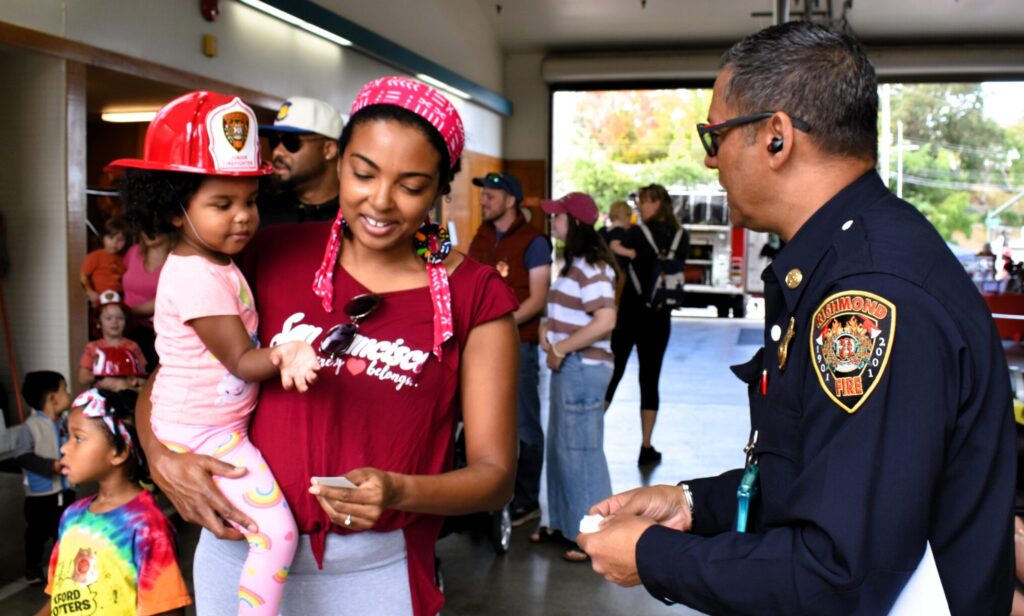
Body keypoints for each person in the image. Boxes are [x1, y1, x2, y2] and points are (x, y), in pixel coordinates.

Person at [579, 21, 1014, 615]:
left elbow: (837, 576)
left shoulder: (868, 297)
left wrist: (655, 557)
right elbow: (820, 479)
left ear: (777, 138)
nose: (711, 162)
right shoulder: (847, 257)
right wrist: (690, 505)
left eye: (715, 136)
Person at [135, 76, 518, 616]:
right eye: (363, 174)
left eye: (410, 186)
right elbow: (172, 374)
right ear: (340, 165)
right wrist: (161, 460)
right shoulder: (269, 252)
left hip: (372, 574)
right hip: (237, 556)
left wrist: (398, 490)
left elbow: (495, 477)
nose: (380, 201)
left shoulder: (476, 295)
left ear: (439, 188)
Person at [114, 90, 321, 616]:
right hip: (205, 435)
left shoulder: (218, 264)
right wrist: (287, 352)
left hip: (215, 424)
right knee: (276, 536)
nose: (243, 218)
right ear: (176, 212)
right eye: (221, 205)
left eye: (249, 201)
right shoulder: (198, 276)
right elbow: (240, 360)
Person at [37, 388, 191, 616]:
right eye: (67, 436)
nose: (64, 447)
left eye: (78, 438)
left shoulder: (148, 526)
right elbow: (61, 596)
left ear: (118, 452)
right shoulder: (72, 516)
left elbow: (167, 610)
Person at [534, 192, 617, 563]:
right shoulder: (573, 263)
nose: (554, 223)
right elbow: (560, 311)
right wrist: (546, 332)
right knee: (562, 450)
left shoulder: (593, 268)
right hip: (567, 367)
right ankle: (565, 524)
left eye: (559, 217)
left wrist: (561, 347)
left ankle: (592, 535)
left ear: (576, 223)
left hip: (582, 369)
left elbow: (605, 320)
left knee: (581, 453)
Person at [468, 171, 551, 526]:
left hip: (520, 347)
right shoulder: (481, 235)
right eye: (483, 195)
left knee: (524, 425)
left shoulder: (534, 242)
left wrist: (497, 324)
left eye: (490, 196)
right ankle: (480, 495)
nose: (483, 201)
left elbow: (537, 299)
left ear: (510, 201)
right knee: (478, 421)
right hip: (477, 347)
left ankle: (527, 499)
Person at [604, 183, 688, 466]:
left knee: (613, 373)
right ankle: (646, 446)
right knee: (650, 380)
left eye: (642, 201)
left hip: (630, 314)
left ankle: (591, 436)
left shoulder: (637, 234)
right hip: (660, 318)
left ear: (656, 203)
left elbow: (610, 250)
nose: (638, 206)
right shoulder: (681, 236)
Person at [15, 371, 75, 584]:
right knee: (37, 533)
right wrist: (50, 466)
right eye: (64, 389)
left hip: (65, 490)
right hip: (41, 495)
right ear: (52, 398)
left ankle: (63, 568)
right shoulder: (31, 426)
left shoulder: (66, 422)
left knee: (64, 531)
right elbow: (23, 456)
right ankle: (33, 568)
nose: (68, 394)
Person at [258, 96, 344, 227]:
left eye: (291, 141)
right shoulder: (262, 215)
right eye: (274, 141)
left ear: (329, 150)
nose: (277, 152)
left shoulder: (352, 220)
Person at [122, 231, 175, 372]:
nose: (148, 232)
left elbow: (172, 296)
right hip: (125, 327)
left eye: (153, 228)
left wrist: (127, 312)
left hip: (159, 332)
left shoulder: (177, 257)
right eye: (144, 226)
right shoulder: (133, 252)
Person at [78, 291, 147, 389]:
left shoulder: (132, 346)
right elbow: (82, 378)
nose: (114, 322)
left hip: (127, 395)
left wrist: (134, 380)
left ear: (126, 321)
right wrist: (102, 374)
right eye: (108, 318)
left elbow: (143, 377)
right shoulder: (92, 347)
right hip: (101, 395)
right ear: (98, 322)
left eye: (120, 318)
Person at [80, 216, 129, 305]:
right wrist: (90, 291)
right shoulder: (95, 256)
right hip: (101, 297)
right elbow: (83, 276)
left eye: (120, 240)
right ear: (103, 238)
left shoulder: (125, 258)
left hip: (120, 297)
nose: (115, 243)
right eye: (111, 238)